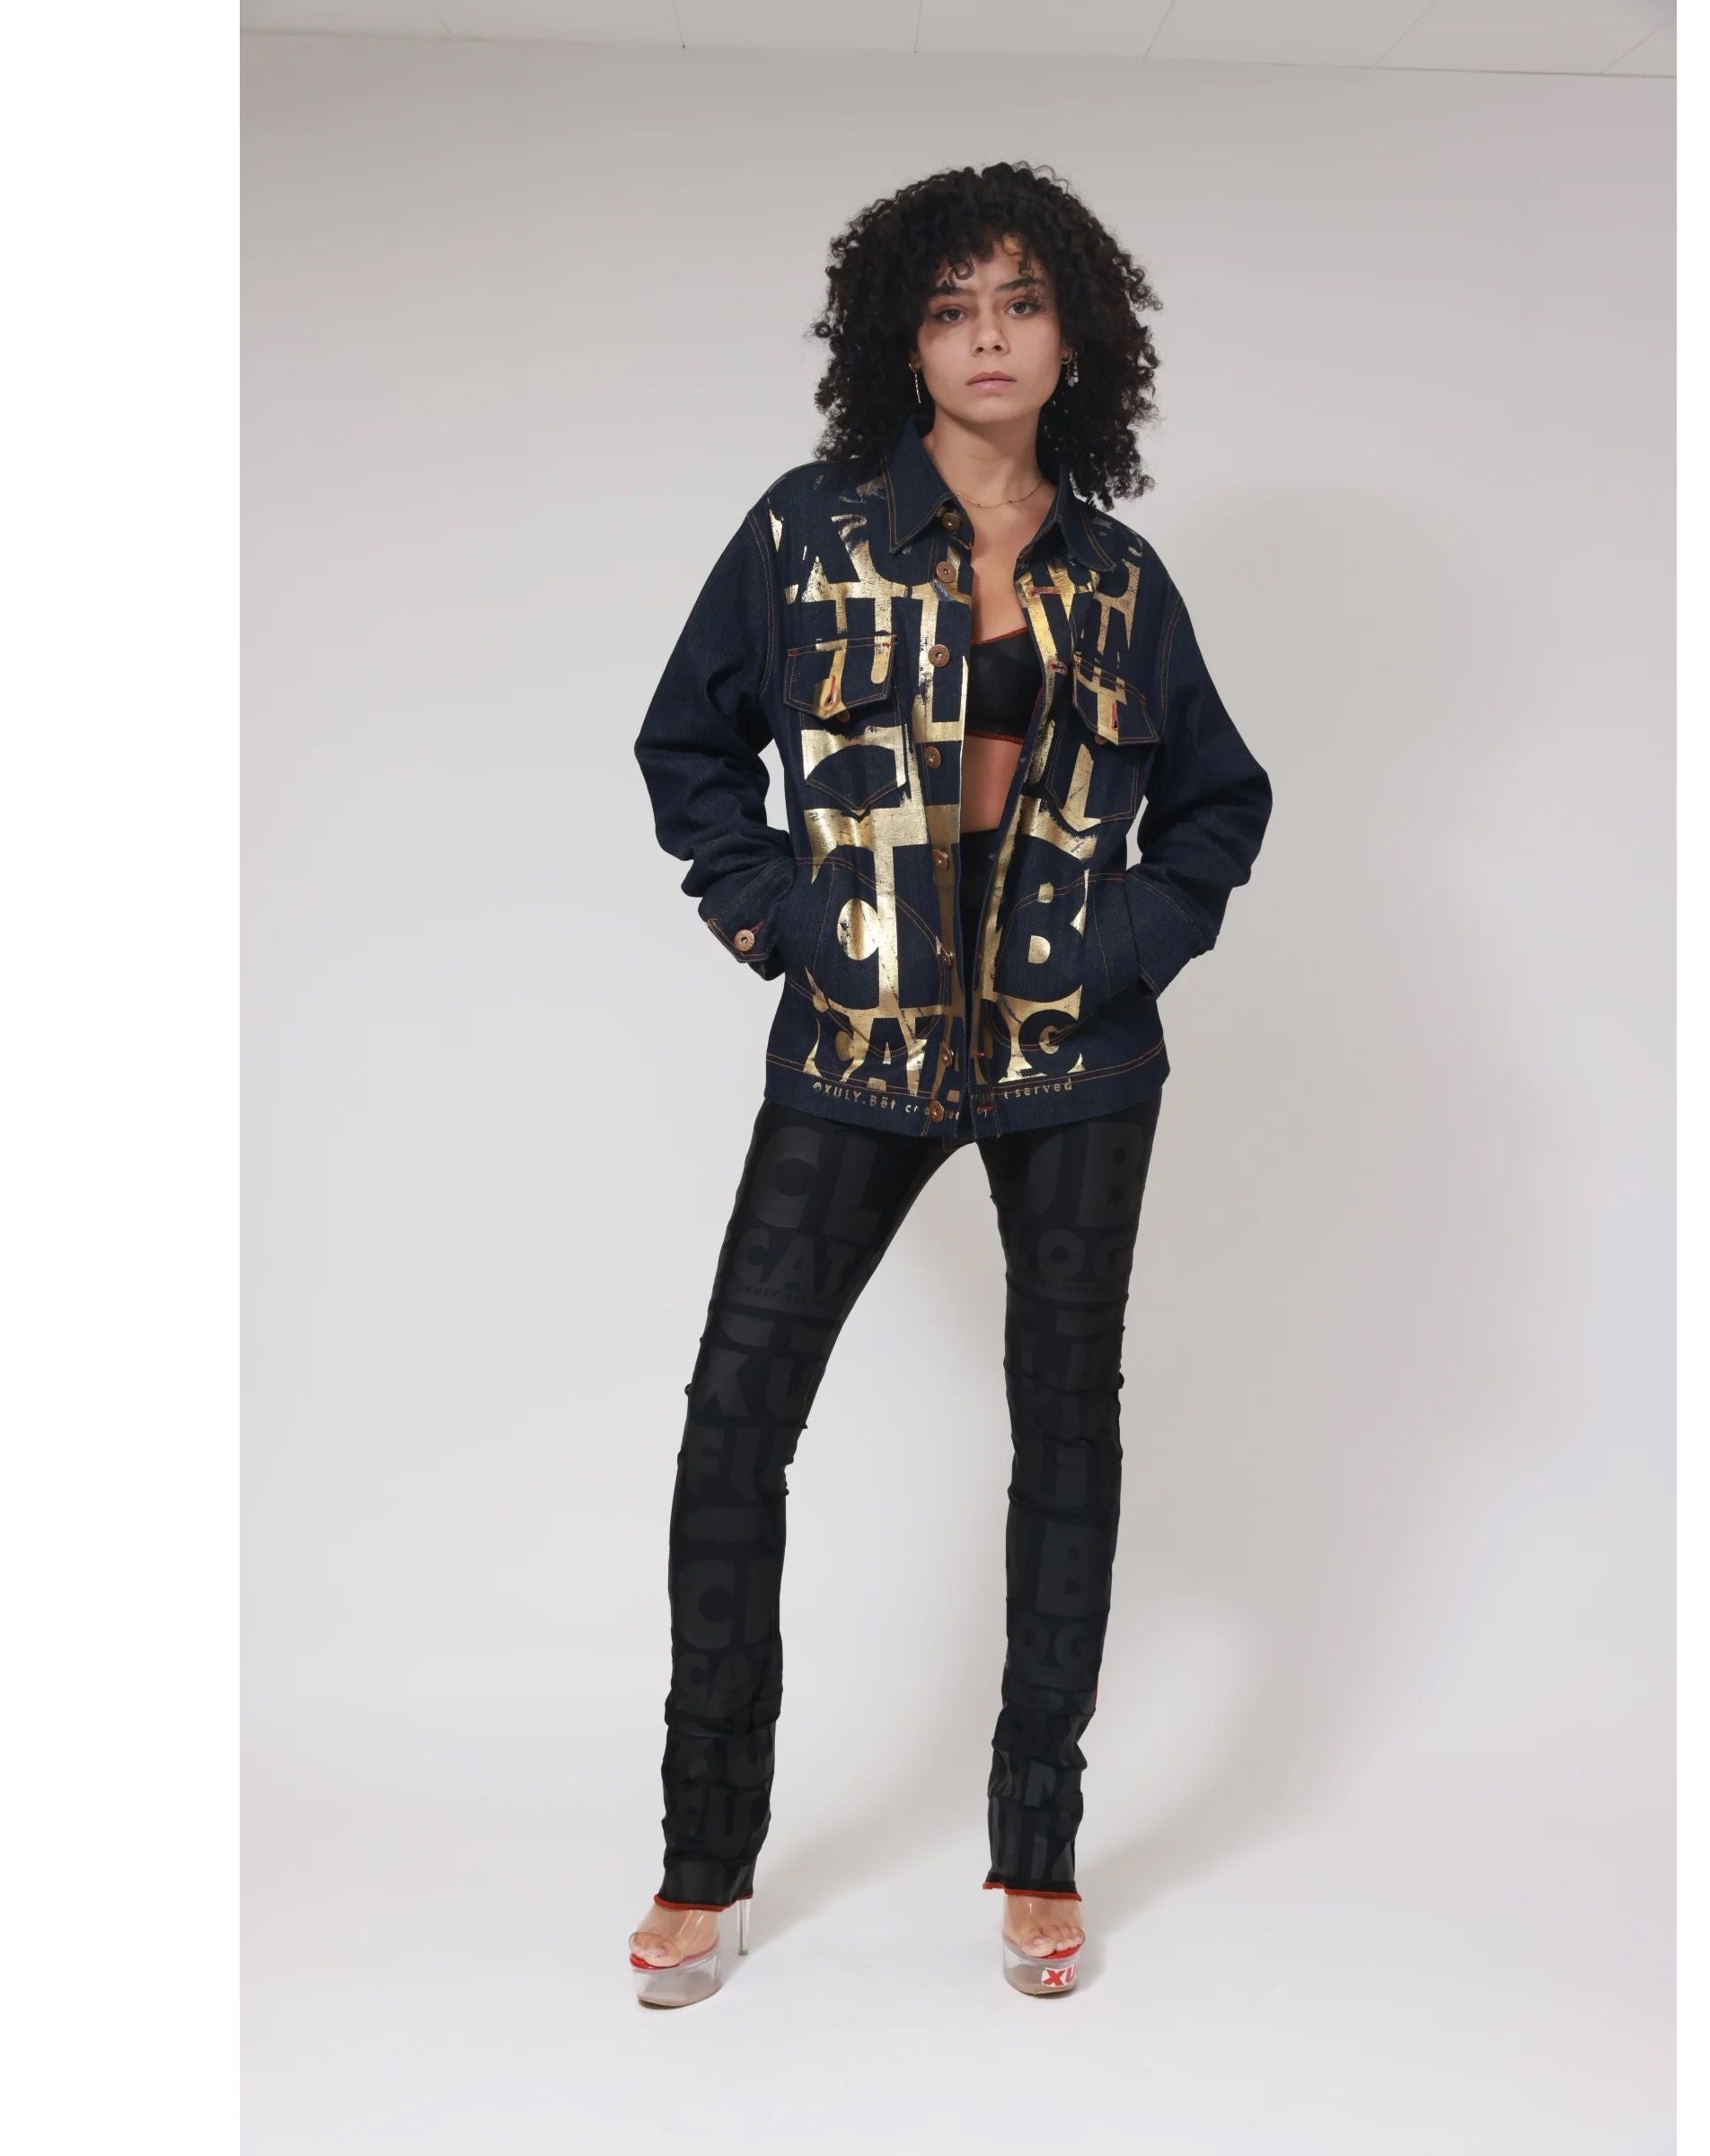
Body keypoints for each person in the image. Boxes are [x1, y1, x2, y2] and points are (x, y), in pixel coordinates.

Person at [624, 161, 1274, 2004]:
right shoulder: (804, 534)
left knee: (1066, 1438)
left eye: (1020, 304)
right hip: (856, 1050)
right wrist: (783, 920)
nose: (987, 338)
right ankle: (701, 1863)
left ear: (1076, 339)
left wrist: (1128, 938)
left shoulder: (1120, 579)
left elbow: (1221, 802)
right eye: (949, 309)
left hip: (1079, 1067)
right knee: (734, 1425)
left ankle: (1038, 1851)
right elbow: (687, 750)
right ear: (898, 342)